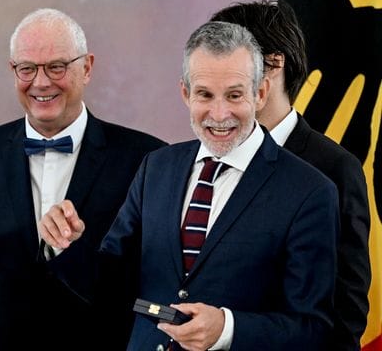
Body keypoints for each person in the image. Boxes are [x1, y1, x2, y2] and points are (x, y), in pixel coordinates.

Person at [40, 21, 340, 350]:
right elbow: (113, 286)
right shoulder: (156, 167)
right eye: (205, 94)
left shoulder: (311, 192)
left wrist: (227, 328)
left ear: (261, 93)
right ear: (185, 93)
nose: (219, 113)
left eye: (235, 95)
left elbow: (314, 330)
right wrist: (66, 245)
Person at [0, 8, 166, 350]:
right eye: (27, 69)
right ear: (13, 71)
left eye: (57, 66)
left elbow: (152, 281)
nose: (41, 82)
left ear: (87, 67)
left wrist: (75, 254)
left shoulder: (147, 158)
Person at [210, 0, 371, 350]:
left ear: (272, 65)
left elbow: (346, 313)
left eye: (228, 60)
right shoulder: (198, 158)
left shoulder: (334, 168)